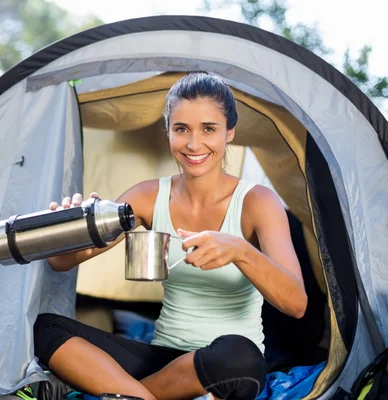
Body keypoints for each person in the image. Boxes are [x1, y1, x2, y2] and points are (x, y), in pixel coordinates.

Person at [33, 72, 308, 400]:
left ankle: (124, 394)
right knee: (45, 328)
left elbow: (296, 304)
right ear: (168, 132)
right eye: (181, 129)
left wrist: (240, 251)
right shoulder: (148, 197)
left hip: (223, 363)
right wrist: (74, 226)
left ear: (229, 133)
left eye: (209, 129)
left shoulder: (257, 202)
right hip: (163, 363)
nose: (194, 144)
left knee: (241, 357)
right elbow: (61, 262)